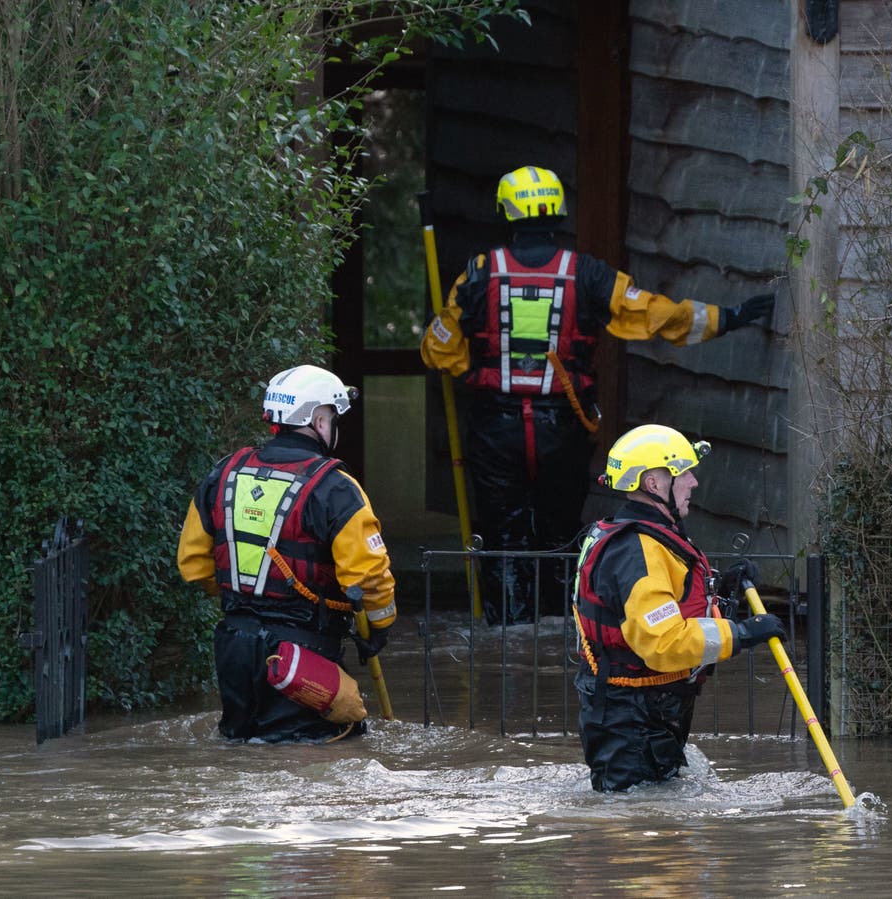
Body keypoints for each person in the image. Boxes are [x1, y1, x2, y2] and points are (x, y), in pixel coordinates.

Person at [420, 164, 774, 625]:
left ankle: (506, 637)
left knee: (503, 536)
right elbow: (655, 315)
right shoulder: (586, 274)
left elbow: (437, 350)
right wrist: (731, 316)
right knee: (561, 531)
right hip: (562, 429)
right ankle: (559, 630)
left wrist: (476, 367)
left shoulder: (479, 275)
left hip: (496, 429)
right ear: (558, 211)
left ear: (506, 212)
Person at [177, 364, 396, 742]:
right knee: (315, 752)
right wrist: (378, 628)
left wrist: (245, 604)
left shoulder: (223, 473)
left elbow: (194, 564)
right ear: (318, 420)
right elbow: (367, 576)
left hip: (233, 648)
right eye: (332, 416)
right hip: (301, 655)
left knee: (239, 747)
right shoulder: (336, 488)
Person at [571, 424, 786, 792]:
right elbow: (664, 641)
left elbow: (672, 608)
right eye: (683, 472)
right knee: (636, 835)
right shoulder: (636, 549)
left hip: (642, 712)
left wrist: (724, 592)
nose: (694, 482)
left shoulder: (640, 535)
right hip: (631, 718)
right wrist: (742, 634)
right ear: (654, 483)